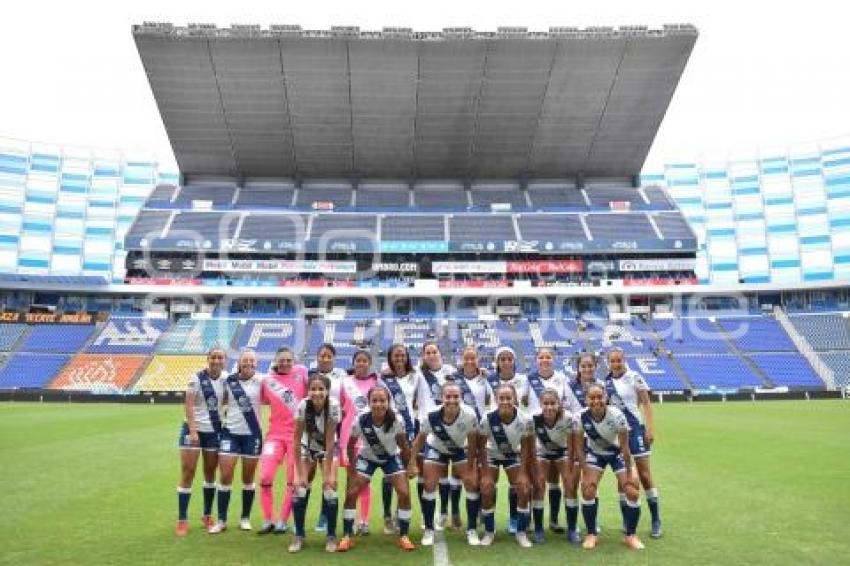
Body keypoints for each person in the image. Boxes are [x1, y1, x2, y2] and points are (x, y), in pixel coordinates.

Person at [338, 386, 416, 552]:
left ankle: (403, 535)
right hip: (367, 458)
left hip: (390, 458)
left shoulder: (397, 420)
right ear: (369, 402)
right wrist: (352, 470)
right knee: (352, 492)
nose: (378, 404)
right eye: (375, 400)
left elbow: (403, 445)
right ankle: (347, 536)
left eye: (382, 401)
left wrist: (410, 465)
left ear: (388, 402)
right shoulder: (361, 420)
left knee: (404, 492)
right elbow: (351, 446)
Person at [408, 382, 480, 547]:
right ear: (442, 397)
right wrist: (412, 461)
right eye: (448, 396)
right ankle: (429, 529)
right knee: (429, 484)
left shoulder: (469, 414)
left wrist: (470, 467)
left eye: (456, 396)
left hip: (460, 449)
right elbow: (420, 439)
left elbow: (473, 441)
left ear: (460, 398)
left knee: (471, 483)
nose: (452, 400)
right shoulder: (432, 415)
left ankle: (472, 529)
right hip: (437, 448)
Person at [575, 384, 644, 550]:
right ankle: (592, 534)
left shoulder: (617, 415)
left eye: (600, 397)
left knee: (632, 490)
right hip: (595, 454)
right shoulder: (580, 417)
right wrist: (585, 472)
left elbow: (625, 448)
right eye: (592, 397)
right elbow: (579, 448)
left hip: (617, 454)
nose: (596, 401)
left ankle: (631, 535)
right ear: (586, 399)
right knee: (588, 489)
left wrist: (629, 473)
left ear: (605, 398)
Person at [605, 348, 662, 539]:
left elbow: (646, 403)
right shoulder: (605, 382)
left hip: (636, 429)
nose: (616, 363)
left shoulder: (634, 376)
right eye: (612, 361)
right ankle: (627, 520)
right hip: (618, 434)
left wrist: (649, 428)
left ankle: (656, 520)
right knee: (623, 478)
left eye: (618, 360)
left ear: (624, 359)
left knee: (645, 475)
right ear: (608, 362)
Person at [209, 349, 264, 533]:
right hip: (230, 434)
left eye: (252, 361)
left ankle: (245, 518)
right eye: (245, 360)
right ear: (239, 363)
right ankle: (222, 520)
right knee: (225, 476)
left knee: (248, 478)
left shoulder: (262, 381)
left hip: (252, 435)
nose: (249, 363)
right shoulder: (229, 381)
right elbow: (219, 399)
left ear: (256, 364)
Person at [175, 347, 227, 536]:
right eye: (213, 357)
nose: (216, 360)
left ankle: (207, 515)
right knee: (188, 472)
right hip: (193, 430)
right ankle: (182, 519)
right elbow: (188, 404)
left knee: (210, 473)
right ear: (208, 359)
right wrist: (193, 430)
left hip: (214, 431)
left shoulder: (226, 380)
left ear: (225, 360)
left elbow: (229, 401)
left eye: (220, 357)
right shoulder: (196, 378)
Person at [478, 383, 535, 548]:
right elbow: (481, 447)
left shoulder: (525, 419)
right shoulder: (488, 418)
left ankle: (521, 532)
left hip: (513, 455)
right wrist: (486, 473)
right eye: (501, 398)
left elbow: (526, 449)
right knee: (487, 487)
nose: (505, 401)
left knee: (524, 487)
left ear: (515, 399)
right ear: (496, 400)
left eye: (508, 398)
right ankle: (489, 531)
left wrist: (524, 473)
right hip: (492, 455)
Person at [289, 374, 342, 553]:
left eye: (321, 389)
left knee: (330, 489)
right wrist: (300, 474)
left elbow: (329, 441)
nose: (317, 392)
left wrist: (328, 474)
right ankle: (299, 535)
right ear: (308, 390)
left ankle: (331, 536)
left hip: (328, 446)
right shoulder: (303, 405)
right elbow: (296, 441)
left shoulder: (333, 406)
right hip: (307, 446)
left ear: (327, 391)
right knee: (300, 488)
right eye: (313, 389)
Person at [258, 347, 307, 535]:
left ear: (293, 361)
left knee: (292, 481)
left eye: (289, 360)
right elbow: (258, 399)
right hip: (274, 435)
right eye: (282, 360)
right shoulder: (268, 381)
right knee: (265, 477)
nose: (285, 363)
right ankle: (267, 519)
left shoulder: (301, 373)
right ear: (275, 361)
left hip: (297, 436)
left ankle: (283, 521)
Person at [447, 346, 492, 529]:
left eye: (473, 358)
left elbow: (491, 399)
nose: (470, 361)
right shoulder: (453, 379)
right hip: (459, 430)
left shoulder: (485, 379)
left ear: (478, 359)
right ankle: (455, 512)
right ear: (461, 359)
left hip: (480, 430)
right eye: (467, 358)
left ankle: (481, 510)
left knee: (479, 471)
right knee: (458, 471)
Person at [413, 340, 456, 531]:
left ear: (440, 353)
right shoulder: (418, 374)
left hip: (448, 427)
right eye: (427, 352)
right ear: (423, 356)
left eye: (434, 351)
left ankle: (444, 512)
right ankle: (425, 513)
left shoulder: (451, 372)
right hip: (425, 427)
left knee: (445, 473)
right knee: (425, 475)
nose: (431, 355)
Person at [526, 347, 569, 535]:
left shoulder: (562, 378)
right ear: (536, 360)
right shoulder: (528, 379)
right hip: (538, 434)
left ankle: (553, 519)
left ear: (553, 359)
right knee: (537, 480)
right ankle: (533, 523)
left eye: (548, 356)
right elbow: (518, 397)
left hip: (558, 434)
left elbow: (567, 402)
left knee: (555, 481)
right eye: (541, 357)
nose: (545, 359)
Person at [377, 344, 419, 535]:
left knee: (403, 473)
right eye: (396, 355)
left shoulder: (415, 376)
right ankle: (386, 516)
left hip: (408, 430)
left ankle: (398, 513)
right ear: (390, 357)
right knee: (388, 474)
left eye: (403, 355)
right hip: (389, 430)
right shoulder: (383, 378)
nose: (400, 358)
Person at [486, 346, 528, 534]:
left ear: (514, 361)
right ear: (497, 362)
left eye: (509, 359)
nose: (505, 362)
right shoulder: (487, 380)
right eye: (502, 359)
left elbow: (528, 404)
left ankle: (514, 518)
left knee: (517, 484)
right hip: (493, 440)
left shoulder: (525, 380)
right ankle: (487, 519)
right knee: (487, 484)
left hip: (515, 439)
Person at [309, 343, 350, 533]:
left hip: (334, 432)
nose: (325, 359)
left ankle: (325, 515)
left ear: (334, 358)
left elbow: (346, 401)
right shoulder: (308, 375)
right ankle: (300, 515)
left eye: (328, 356)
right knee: (309, 475)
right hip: (312, 433)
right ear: (317, 357)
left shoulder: (342, 377)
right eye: (322, 355)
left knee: (330, 477)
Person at [560, 352, 601, 543]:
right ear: (578, 368)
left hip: (594, 441)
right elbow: (564, 410)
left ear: (595, 366)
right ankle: (572, 527)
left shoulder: (601, 387)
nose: (587, 369)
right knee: (571, 483)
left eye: (590, 365)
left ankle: (592, 523)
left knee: (591, 483)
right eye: (583, 366)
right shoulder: (568, 387)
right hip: (575, 439)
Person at [531, 388, 578, 544]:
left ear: (558, 404)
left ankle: (572, 529)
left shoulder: (568, 417)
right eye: (546, 403)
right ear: (540, 404)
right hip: (542, 452)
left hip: (562, 452)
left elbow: (572, 447)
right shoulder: (533, 418)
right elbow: (530, 445)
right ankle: (538, 529)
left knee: (570, 484)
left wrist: (570, 469)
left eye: (553, 403)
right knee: (539, 484)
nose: (549, 407)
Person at [339, 350, 379, 535]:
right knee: (351, 480)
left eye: (364, 360)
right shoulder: (344, 383)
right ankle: (351, 519)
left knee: (365, 481)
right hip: (348, 438)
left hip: (368, 438)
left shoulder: (376, 382)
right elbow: (340, 409)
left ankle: (364, 520)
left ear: (369, 363)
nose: (361, 363)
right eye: (358, 360)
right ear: (353, 362)